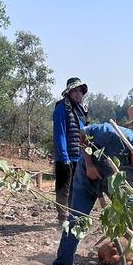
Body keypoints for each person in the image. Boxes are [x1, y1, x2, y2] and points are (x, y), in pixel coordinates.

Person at [51, 123, 133, 265]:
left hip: (117, 186)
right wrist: (89, 164)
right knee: (76, 222)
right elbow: (83, 133)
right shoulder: (112, 135)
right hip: (87, 179)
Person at [52, 77, 88, 223]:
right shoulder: (61, 108)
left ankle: (72, 218)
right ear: (69, 92)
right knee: (63, 189)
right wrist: (64, 157)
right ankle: (62, 218)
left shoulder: (81, 110)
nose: (78, 94)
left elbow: (85, 134)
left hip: (78, 157)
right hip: (65, 158)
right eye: (75, 90)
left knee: (76, 188)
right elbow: (59, 133)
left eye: (80, 91)